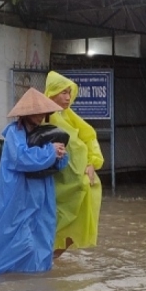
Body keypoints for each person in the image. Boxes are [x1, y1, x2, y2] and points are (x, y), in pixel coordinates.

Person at [0, 88, 69, 275]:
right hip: (18, 194)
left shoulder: (49, 133)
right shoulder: (15, 133)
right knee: (15, 236)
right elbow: (21, 158)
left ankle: (34, 279)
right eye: (35, 112)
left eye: (42, 112)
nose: (39, 116)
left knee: (41, 235)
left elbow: (59, 165)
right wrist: (50, 152)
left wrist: (60, 155)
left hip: (42, 195)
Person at [44, 71, 104, 259]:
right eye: (63, 92)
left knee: (77, 222)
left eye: (70, 92)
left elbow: (88, 136)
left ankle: (50, 260)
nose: (68, 97)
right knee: (55, 221)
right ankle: (45, 260)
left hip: (80, 181)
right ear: (52, 93)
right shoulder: (44, 116)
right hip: (59, 183)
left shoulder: (67, 114)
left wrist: (92, 163)